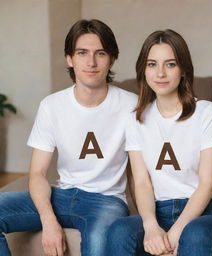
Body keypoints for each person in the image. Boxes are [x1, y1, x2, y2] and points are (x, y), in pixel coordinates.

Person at [0, 19, 137, 256]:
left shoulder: (131, 106)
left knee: (98, 247)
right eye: (82, 53)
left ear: (112, 58)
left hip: (107, 201)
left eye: (100, 53)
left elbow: (140, 172)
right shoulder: (52, 106)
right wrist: (48, 220)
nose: (91, 62)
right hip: (61, 195)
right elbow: (37, 173)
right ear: (69, 59)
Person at [107, 29, 212, 256]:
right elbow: (142, 183)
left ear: (183, 69)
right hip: (158, 212)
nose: (160, 73)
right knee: (120, 230)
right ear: (143, 70)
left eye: (170, 64)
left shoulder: (206, 112)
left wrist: (176, 231)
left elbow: (206, 184)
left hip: (205, 213)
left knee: (194, 234)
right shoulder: (135, 118)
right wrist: (150, 226)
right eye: (152, 64)